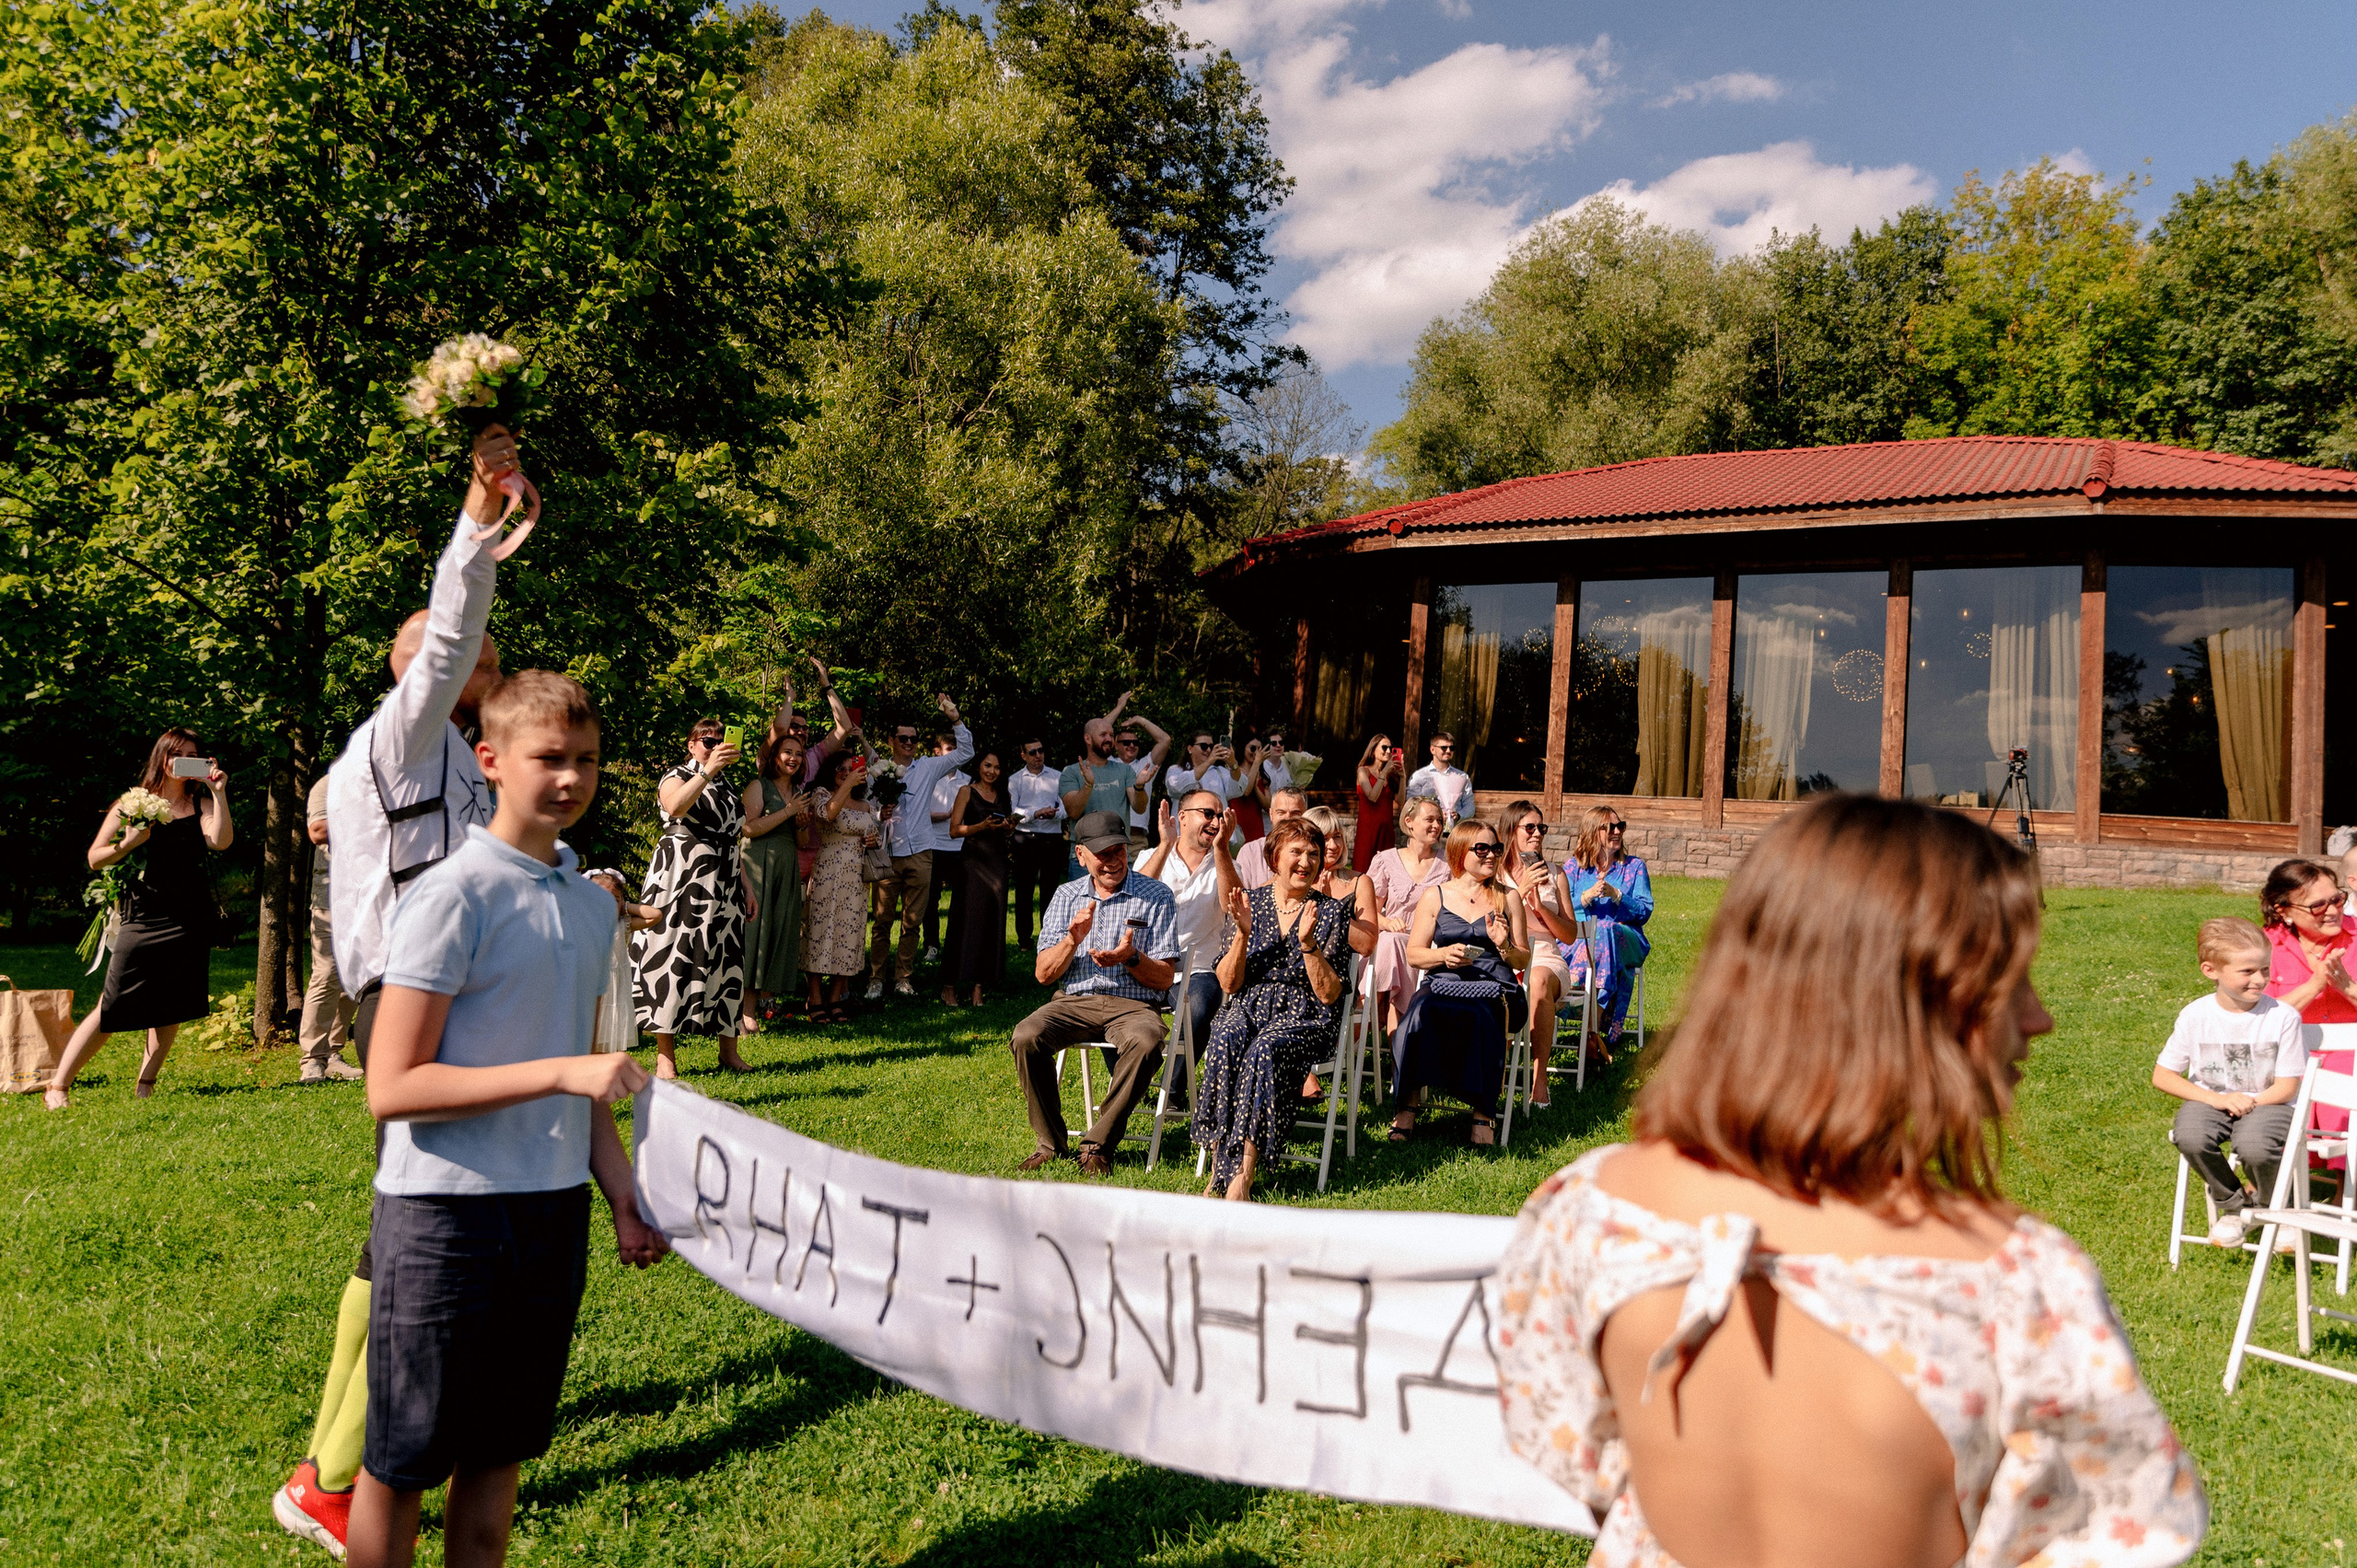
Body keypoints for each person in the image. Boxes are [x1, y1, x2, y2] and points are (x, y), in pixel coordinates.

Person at [1492, 794, 2206, 1568]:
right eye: (2012, 981)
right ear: (1908, 999)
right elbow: (2115, 1529)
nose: (2040, 1018)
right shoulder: (2015, 1280)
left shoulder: (1589, 1206)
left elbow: (1569, 1441)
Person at [345, 670, 668, 1568]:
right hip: (443, 1217)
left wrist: (622, 1195)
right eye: (549, 757)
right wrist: (564, 1070)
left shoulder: (589, 903)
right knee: (403, 1463)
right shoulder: (452, 893)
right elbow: (392, 1085)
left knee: (498, 1455)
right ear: (489, 759)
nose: (570, 778)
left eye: (587, 760)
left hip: (551, 1213)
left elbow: (584, 1081)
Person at [270, 426, 523, 1559]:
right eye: (476, 662)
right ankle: (335, 1478)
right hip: (412, 1004)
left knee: (402, 1231)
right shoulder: (410, 733)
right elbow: (451, 628)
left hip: (447, 995)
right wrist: (477, 520)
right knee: (423, 1234)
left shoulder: (453, 758)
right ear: (428, 671)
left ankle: (330, 1461)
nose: (490, 670)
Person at [43, 728, 233, 1107]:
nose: (184, 761)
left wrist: (218, 793)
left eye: (192, 755)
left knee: (174, 1002)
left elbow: (220, 841)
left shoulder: (200, 804)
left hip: (189, 915)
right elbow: (95, 857)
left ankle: (146, 1084)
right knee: (113, 1002)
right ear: (162, 757)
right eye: (177, 754)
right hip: (143, 914)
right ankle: (58, 1086)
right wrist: (129, 843)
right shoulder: (132, 803)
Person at [1190, 818, 1355, 1201]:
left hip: (1306, 1015)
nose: (1306, 862)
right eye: (1296, 852)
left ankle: (1242, 1177)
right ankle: (1220, 1168)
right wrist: (1243, 934)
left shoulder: (1330, 912)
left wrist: (1308, 945)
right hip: (1250, 1004)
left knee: (1264, 1048)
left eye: (1313, 854)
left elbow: (1329, 994)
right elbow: (1228, 984)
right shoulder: (1250, 903)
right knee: (1226, 1035)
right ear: (1275, 858)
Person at [1009, 811, 1180, 1177]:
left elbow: (1166, 978)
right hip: (1074, 1002)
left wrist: (1131, 957)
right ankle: (1050, 1144)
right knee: (1026, 1035)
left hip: (1133, 1005)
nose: (1113, 861)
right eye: (1103, 854)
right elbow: (1043, 974)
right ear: (1081, 854)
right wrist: (1072, 939)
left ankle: (1097, 1144)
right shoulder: (1066, 896)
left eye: (1119, 851)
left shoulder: (1156, 895)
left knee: (1147, 1041)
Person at [2156, 916, 2305, 1247]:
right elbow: (2163, 1075)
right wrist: (2218, 1100)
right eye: (2247, 971)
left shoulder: (2282, 1017)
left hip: (2270, 1102)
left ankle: (2275, 1209)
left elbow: (2287, 1087)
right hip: (2212, 1100)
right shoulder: (2195, 1015)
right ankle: (2235, 1207)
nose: (2260, 979)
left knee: (2254, 1145)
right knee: (2190, 1135)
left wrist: (2247, 1102)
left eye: (2264, 969)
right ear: (2211, 970)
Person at [1389, 819, 1528, 1147]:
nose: (1491, 855)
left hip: (1495, 985)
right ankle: (1407, 1105)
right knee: (1418, 1012)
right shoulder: (1435, 896)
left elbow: (1523, 959)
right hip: (1444, 980)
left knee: (1480, 1014)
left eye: (1496, 848)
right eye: (1482, 848)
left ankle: (1483, 1111)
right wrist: (1443, 955)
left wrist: (1504, 945)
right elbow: (1414, 954)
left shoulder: (1508, 897)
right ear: (1459, 852)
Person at [631, 718, 754, 1079]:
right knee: (673, 957)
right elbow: (674, 807)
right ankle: (665, 1058)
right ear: (691, 745)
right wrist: (707, 771)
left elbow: (732, 837)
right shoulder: (677, 775)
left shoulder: (727, 784)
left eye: (720, 740)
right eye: (707, 741)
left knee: (726, 961)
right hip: (682, 877)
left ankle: (729, 1052)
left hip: (725, 881)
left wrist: (746, 886)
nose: (715, 746)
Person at [866, 696, 971, 1000]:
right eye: (904, 738)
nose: (909, 743)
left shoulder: (927, 767)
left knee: (912, 922)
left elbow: (966, 752)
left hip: (921, 852)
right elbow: (866, 810)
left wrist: (955, 718)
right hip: (888, 853)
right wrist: (879, 815)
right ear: (891, 741)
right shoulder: (878, 770)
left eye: (913, 739)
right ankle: (876, 978)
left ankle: (903, 978)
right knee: (882, 921)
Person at [1140, 790, 1245, 1085]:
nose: (1216, 822)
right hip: (1149, 965)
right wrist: (1165, 845)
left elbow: (1232, 908)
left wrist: (1222, 849)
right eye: (1208, 814)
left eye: (1220, 816)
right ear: (1183, 817)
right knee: (1110, 1003)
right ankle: (1135, 1081)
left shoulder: (1227, 864)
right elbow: (1133, 900)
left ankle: (1170, 1090)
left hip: (1199, 969)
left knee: (1198, 1007)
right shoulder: (1151, 857)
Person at [2259, 857, 2357, 1167]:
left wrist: (2348, 988)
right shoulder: (2264, 946)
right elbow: (2257, 1018)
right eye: (2318, 906)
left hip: (2352, 1055)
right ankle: (2269, 1175)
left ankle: (2346, 1182)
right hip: (2289, 1052)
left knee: (2345, 1076)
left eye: (2337, 899)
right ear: (2284, 910)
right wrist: (2315, 986)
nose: (2333, 911)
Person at [1562, 804, 1654, 1063]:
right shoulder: (1573, 868)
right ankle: (1593, 1034)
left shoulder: (1635, 867)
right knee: (1595, 934)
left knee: (1604, 930)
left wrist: (1618, 896)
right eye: (1609, 827)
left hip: (1626, 939)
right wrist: (1585, 898)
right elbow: (1561, 911)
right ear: (1593, 832)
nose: (1617, 831)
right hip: (1581, 942)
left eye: (1620, 826)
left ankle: (1587, 1019)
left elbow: (1644, 911)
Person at [1498, 801, 1573, 1109]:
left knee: (1539, 980)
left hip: (1546, 955)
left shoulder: (1555, 874)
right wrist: (1521, 890)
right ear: (1510, 831)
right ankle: (1496, 1074)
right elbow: (1490, 919)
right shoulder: (1496, 872)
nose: (1537, 834)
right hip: (1507, 952)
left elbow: (1569, 934)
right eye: (1529, 827)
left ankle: (1539, 1081)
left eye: (1541, 827)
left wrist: (1540, 907)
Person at [1357, 795, 1449, 1039]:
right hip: (1388, 945)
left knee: (1393, 943)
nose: (1436, 826)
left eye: (1439, 821)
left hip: (1427, 949)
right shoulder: (1386, 860)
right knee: (1391, 941)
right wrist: (1388, 922)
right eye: (1430, 819)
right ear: (1409, 822)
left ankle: (1367, 1007)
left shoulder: (1447, 863)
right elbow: (1368, 911)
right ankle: (1380, 1011)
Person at [800, 749, 880, 1023]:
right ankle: (814, 998)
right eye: (841, 769)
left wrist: (873, 840)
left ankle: (835, 998)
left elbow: (875, 834)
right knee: (819, 931)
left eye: (852, 769)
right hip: (828, 872)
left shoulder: (865, 804)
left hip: (856, 878)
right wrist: (849, 783)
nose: (847, 773)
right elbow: (828, 814)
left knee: (848, 935)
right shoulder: (821, 794)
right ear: (830, 772)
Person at [740, 729, 809, 1028]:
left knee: (775, 933)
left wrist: (801, 823)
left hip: (785, 867)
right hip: (758, 866)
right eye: (788, 752)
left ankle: (753, 1010)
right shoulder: (759, 785)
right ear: (775, 757)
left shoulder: (798, 792)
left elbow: (802, 841)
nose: (794, 758)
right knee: (754, 934)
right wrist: (788, 812)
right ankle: (741, 1013)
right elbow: (747, 828)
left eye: (799, 754)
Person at [299, 769, 363, 1083]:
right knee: (326, 974)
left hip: (368, 892)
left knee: (353, 975)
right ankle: (312, 1058)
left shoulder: (377, 782)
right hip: (331, 894)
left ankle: (333, 1053)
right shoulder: (329, 785)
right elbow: (318, 830)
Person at [941, 749, 1014, 1007]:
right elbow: (953, 830)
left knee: (990, 923)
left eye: (997, 767)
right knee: (965, 921)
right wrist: (980, 826)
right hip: (973, 864)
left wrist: (1008, 828)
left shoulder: (1003, 795)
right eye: (987, 765)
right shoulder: (966, 791)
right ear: (979, 766)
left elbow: (1005, 831)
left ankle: (978, 987)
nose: (992, 771)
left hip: (997, 864)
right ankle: (949, 986)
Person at [1058, 692, 1144, 874]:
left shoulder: (1125, 770)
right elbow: (1073, 812)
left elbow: (1139, 807)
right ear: (1087, 739)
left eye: (1111, 735)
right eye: (1103, 734)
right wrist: (1088, 785)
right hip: (1084, 859)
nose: (1109, 739)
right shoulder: (1072, 772)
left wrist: (1140, 787)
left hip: (1120, 855)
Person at [1006, 736, 1067, 947]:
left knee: (1050, 888)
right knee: (1024, 888)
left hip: (1052, 837)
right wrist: (1035, 813)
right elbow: (1012, 812)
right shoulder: (1015, 780)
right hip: (1025, 837)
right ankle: (1024, 939)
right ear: (1023, 755)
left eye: (1040, 750)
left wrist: (1054, 814)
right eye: (1032, 752)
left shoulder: (1057, 777)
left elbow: (1066, 808)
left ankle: (1048, 936)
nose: (1038, 755)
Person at [921, 731, 970, 965]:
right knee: (930, 900)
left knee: (960, 899)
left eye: (956, 749)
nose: (954, 754)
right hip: (933, 844)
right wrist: (946, 816)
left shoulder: (967, 780)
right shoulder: (929, 778)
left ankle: (957, 944)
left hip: (960, 846)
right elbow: (918, 813)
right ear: (937, 752)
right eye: (949, 749)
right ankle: (931, 945)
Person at [1235, 786, 1309, 889]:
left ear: (1305, 816)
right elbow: (1242, 896)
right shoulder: (1250, 851)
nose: (1287, 818)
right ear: (1271, 814)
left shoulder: (1313, 853)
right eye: (1281, 813)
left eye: (1295, 813)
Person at [1353, 734, 1402, 871]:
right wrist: (1384, 772)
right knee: (1363, 868)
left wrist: (1403, 777)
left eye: (1390, 748)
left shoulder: (1390, 775)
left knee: (1386, 870)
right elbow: (1372, 796)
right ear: (1373, 749)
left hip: (1386, 830)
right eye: (1384, 747)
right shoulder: (1363, 771)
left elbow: (1400, 800)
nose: (1388, 751)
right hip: (1368, 830)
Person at [1406, 732, 1472, 829]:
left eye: (1452, 748)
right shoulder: (1419, 776)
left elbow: (1470, 805)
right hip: (1428, 830)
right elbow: (1411, 804)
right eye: (1444, 748)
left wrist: (1458, 815)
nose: (1448, 751)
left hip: (1455, 831)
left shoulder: (1462, 777)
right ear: (1432, 749)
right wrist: (1434, 815)